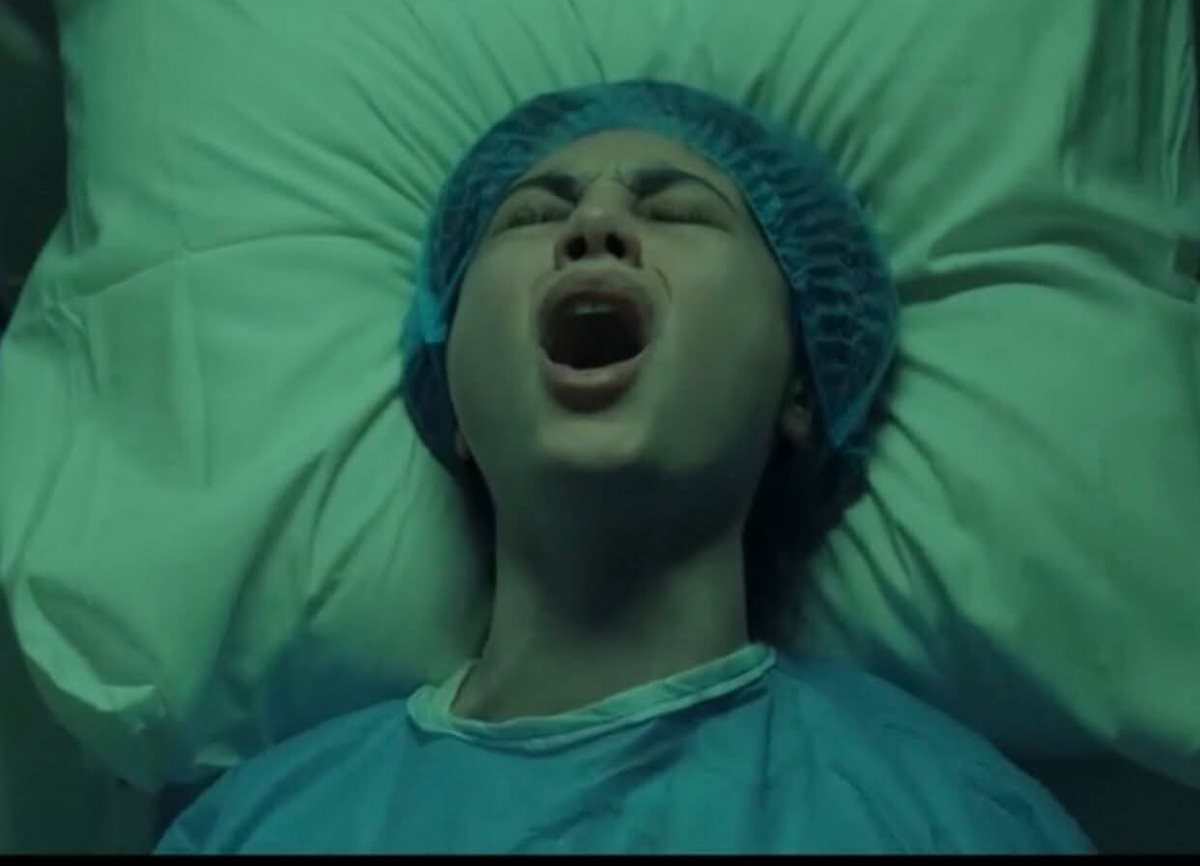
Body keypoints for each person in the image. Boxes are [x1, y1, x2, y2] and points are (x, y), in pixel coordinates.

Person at [154, 81, 1093, 854]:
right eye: (531, 215)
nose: (595, 225)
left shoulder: (960, 823)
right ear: (455, 404)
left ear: (801, 388)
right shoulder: (252, 830)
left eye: (679, 211)